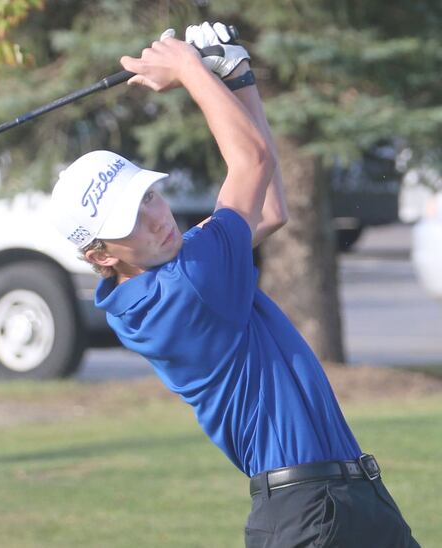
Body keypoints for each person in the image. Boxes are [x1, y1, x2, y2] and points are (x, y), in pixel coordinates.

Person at [50, 22, 419, 548]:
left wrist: (238, 78)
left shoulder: (167, 277)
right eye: (130, 219)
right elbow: (253, 162)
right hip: (309, 514)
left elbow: (268, 207)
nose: (157, 218)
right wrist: (191, 70)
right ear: (101, 254)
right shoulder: (189, 283)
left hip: (352, 497)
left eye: (148, 197)